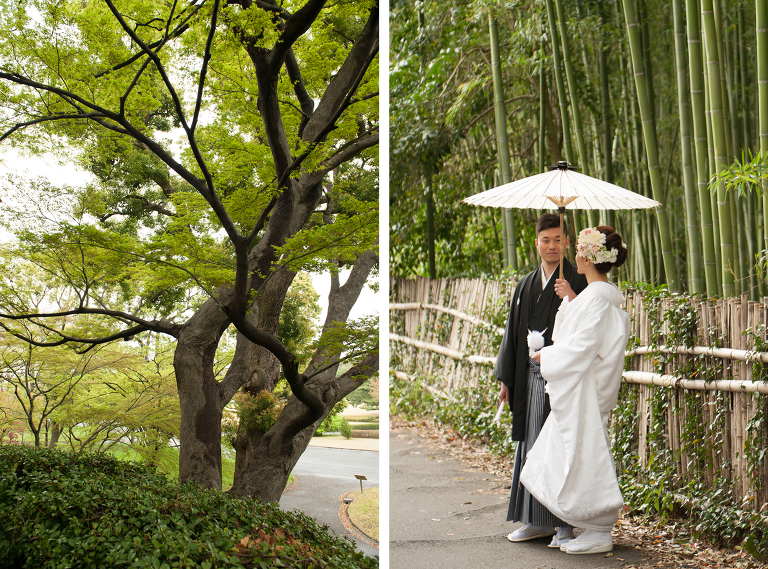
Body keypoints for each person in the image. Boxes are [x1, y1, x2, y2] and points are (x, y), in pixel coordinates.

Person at [521, 225, 630, 555]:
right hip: (585, 386)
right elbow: (580, 333)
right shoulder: (597, 296)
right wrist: (570, 300)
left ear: (586, 256)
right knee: (577, 454)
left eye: (579, 249)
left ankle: (599, 528)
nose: (574, 254)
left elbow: (582, 346)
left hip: (586, 387)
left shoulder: (597, 299)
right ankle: (593, 526)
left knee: (585, 454)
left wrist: (547, 355)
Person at [495, 213, 588, 548]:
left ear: (567, 242)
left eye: (557, 239)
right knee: (532, 447)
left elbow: (589, 328)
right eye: (545, 240)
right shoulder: (526, 285)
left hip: (562, 378)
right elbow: (512, 334)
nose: (552, 246)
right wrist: (507, 380)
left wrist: (572, 298)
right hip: (530, 379)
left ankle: (563, 524)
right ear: (536, 243)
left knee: (560, 447)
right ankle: (536, 521)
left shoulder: (578, 279)